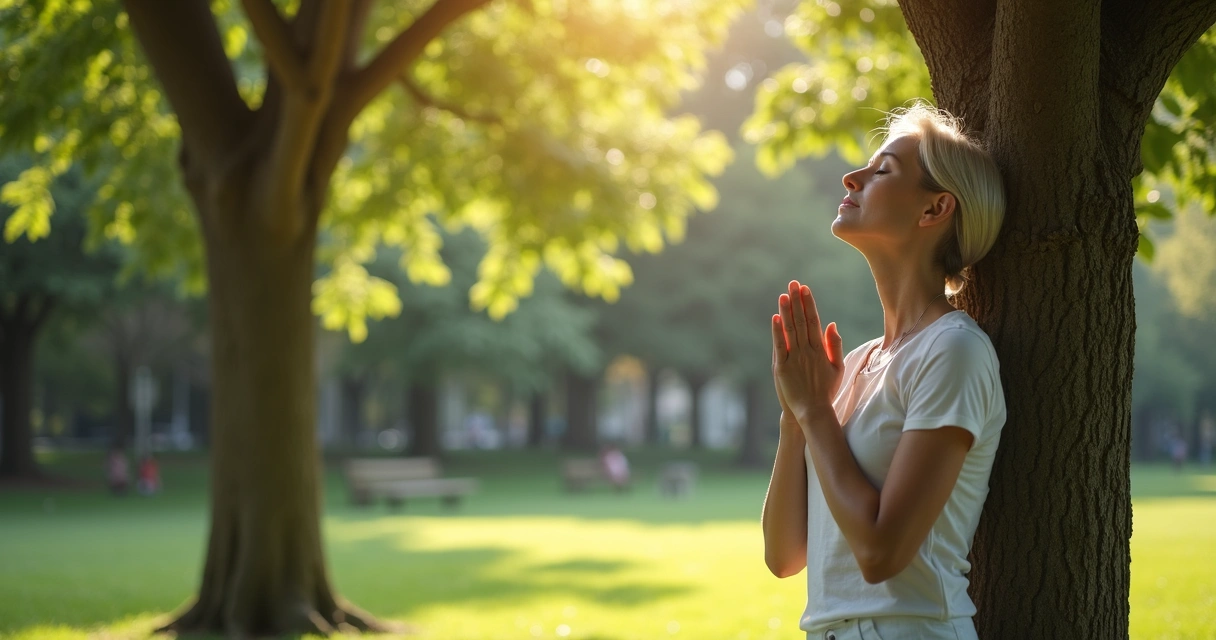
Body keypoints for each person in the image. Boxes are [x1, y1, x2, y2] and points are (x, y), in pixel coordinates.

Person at [762, 102, 1006, 640]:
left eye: (884, 170)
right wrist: (795, 417)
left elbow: (880, 553)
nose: (853, 176)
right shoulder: (852, 366)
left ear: (934, 209)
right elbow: (784, 555)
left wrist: (815, 414)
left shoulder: (954, 351)